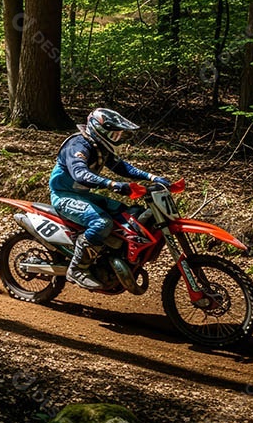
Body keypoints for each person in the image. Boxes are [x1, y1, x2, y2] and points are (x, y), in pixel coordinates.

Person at [49, 108, 170, 289]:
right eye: (113, 134)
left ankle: (108, 257)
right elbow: (80, 173)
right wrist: (112, 185)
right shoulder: (78, 145)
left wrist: (152, 177)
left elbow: (122, 167)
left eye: (118, 134)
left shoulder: (99, 146)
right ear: (100, 129)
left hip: (82, 195)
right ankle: (77, 268)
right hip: (63, 196)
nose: (116, 138)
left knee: (128, 213)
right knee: (101, 223)